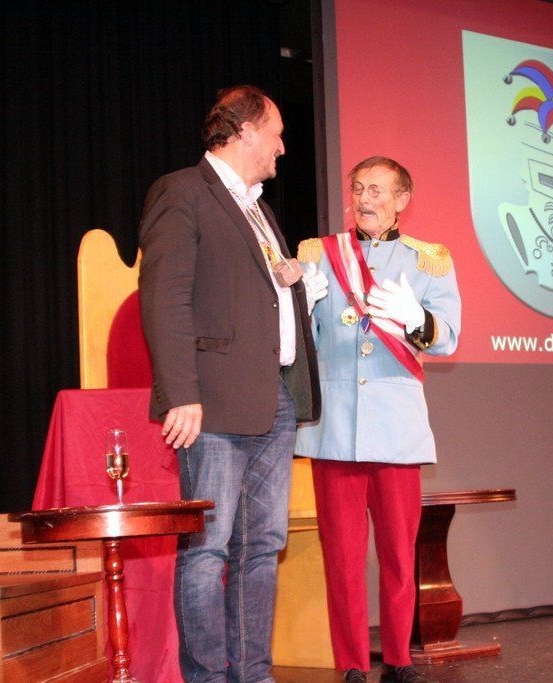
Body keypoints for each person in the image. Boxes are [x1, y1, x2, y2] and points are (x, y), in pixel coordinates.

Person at [138, 85, 320, 683]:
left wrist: (294, 282)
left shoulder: (259, 208)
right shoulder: (182, 192)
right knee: (207, 549)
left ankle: (253, 674)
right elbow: (164, 297)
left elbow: (256, 295)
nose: (283, 148)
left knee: (261, 547)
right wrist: (181, 392)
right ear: (244, 131)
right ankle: (208, 677)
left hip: (273, 398)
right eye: (276, 134)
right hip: (212, 401)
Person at [295, 157, 462, 683]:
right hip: (335, 431)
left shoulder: (429, 260)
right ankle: (350, 663)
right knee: (342, 559)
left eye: (377, 190)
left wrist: (417, 319)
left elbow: (448, 337)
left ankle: (398, 659)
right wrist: (298, 310)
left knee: (398, 555)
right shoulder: (318, 255)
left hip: (396, 429)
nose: (364, 199)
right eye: (358, 188)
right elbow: (302, 347)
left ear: (401, 200)